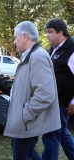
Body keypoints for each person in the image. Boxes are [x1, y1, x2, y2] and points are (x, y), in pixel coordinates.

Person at [3, 21, 61, 160]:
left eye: (16, 37)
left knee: (21, 155)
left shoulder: (37, 56)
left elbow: (45, 94)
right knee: (23, 152)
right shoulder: (31, 55)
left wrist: (25, 116)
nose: (15, 42)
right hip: (25, 122)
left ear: (25, 36)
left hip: (27, 122)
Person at [43, 18, 74, 160]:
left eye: (50, 32)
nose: (47, 36)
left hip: (62, 102)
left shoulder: (72, 49)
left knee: (50, 136)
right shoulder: (53, 49)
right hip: (53, 100)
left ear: (60, 32)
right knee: (61, 132)